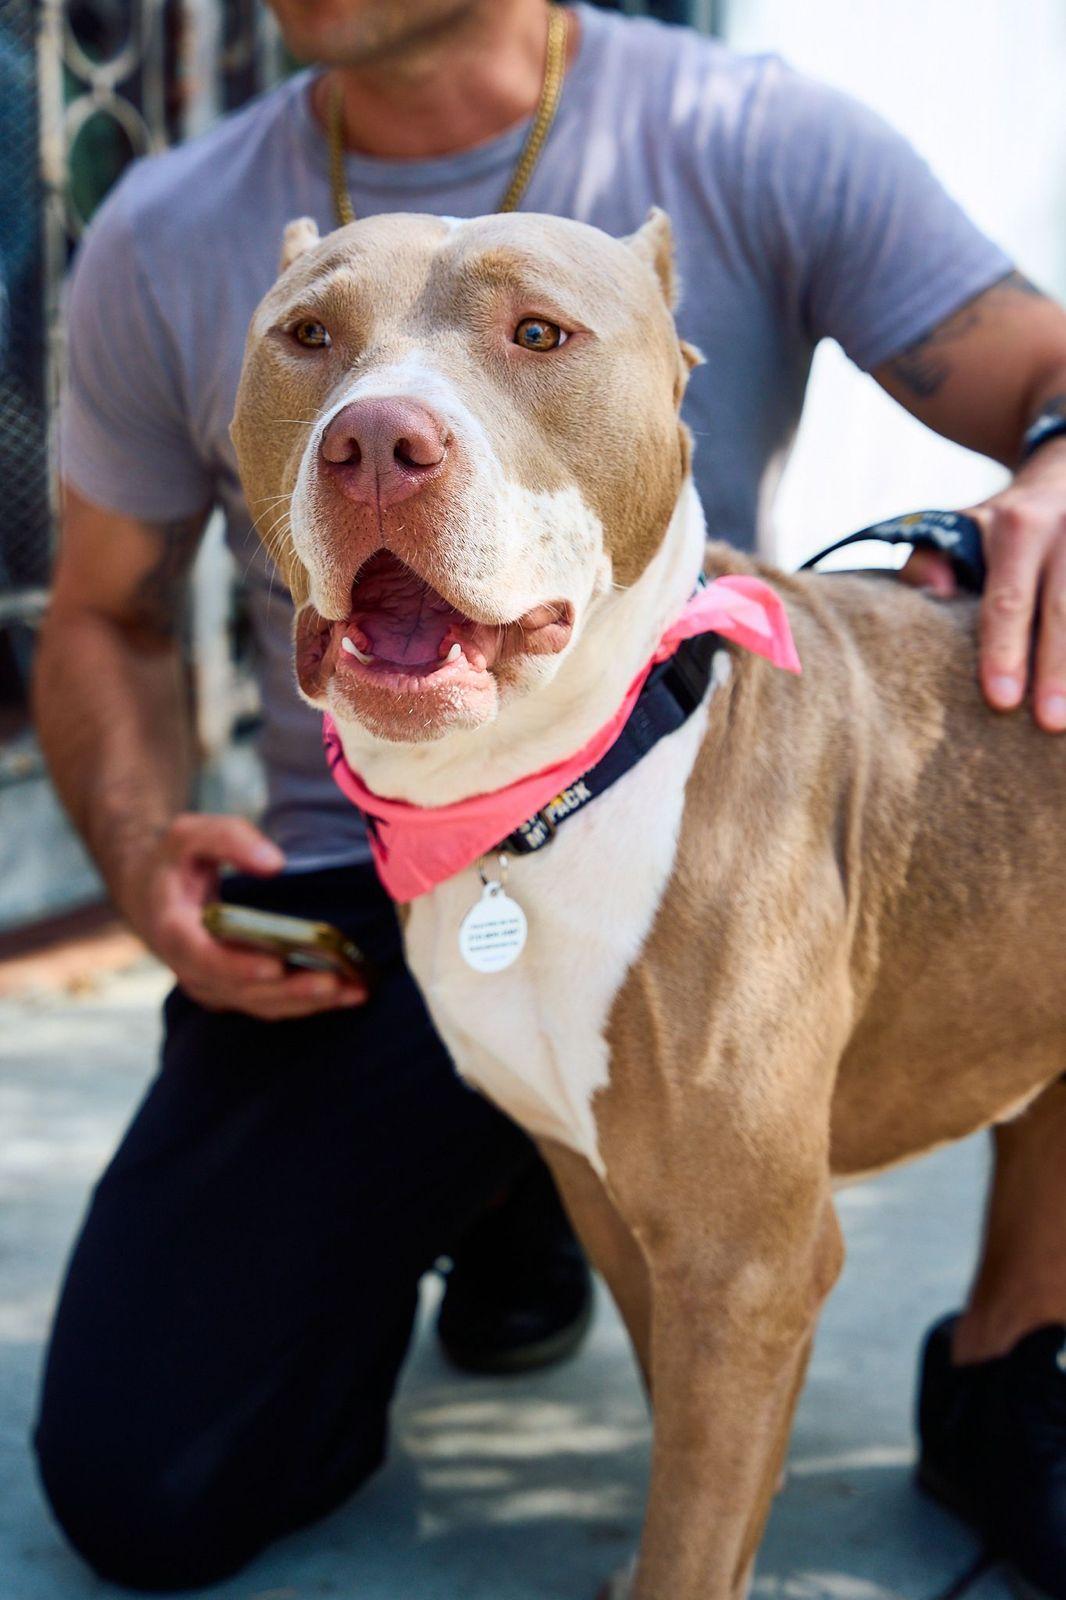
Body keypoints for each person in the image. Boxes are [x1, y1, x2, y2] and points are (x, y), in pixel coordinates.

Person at [31, 1, 1066, 1593]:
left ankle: (1013, 1349)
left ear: (670, 368)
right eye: (313, 342)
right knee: (141, 1481)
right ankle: (518, 1183)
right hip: (353, 885)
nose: (381, 427)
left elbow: (1053, 376)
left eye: (535, 340)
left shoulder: (749, 136)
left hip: (661, 781)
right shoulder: (168, 225)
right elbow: (96, 607)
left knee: (741, 1249)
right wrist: (134, 838)